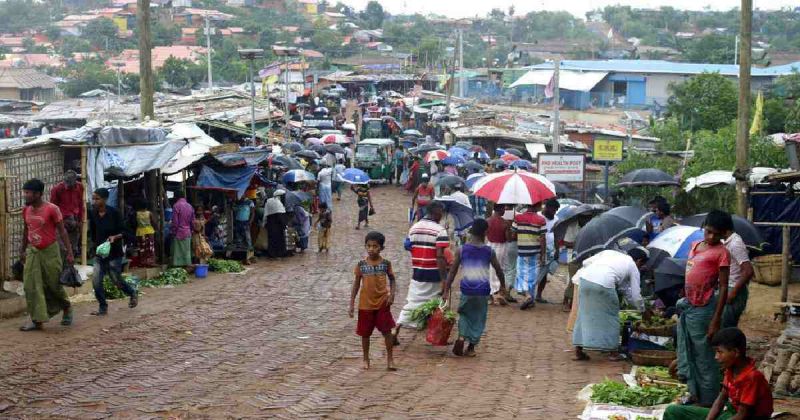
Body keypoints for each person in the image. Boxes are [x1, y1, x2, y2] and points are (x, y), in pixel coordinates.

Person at [677, 209, 731, 406]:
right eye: (708, 231)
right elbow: (691, 271)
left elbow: (724, 286)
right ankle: (693, 392)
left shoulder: (722, 253)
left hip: (704, 309)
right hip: (689, 305)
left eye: (717, 234)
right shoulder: (695, 245)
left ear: (725, 233)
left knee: (704, 357)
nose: (711, 236)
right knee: (689, 350)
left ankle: (709, 402)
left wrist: (715, 320)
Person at [664, 328, 773, 420]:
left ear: (735, 352)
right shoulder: (730, 369)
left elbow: (742, 415)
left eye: (720, 352)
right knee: (672, 411)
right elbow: (720, 399)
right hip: (730, 413)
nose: (716, 357)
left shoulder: (751, 377)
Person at [442, 218, 505, 357]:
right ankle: (471, 347)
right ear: (485, 233)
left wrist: (446, 290)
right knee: (478, 318)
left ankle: (462, 337)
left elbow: (452, 271)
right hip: (482, 291)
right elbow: (499, 270)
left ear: (471, 232)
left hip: (466, 289)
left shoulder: (462, 249)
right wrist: (503, 287)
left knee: (464, 314)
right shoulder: (489, 251)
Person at [572, 248, 647, 361]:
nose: (640, 268)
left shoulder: (610, 253)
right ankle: (613, 353)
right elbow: (635, 295)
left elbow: (585, 262)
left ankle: (578, 350)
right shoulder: (632, 266)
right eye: (641, 265)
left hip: (584, 280)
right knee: (611, 316)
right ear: (639, 260)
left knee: (583, 314)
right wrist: (643, 310)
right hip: (604, 283)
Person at [18, 179, 74, 331]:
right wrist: (22, 250)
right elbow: (26, 230)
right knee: (31, 286)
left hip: (50, 252)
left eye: (28, 193)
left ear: (38, 194)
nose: (26, 195)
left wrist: (69, 253)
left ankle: (67, 307)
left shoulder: (52, 209)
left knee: (53, 284)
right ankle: (37, 320)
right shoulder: (26, 210)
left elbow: (62, 231)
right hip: (33, 252)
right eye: (25, 192)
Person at [395, 202, 449, 338]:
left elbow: (408, 246)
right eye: (441, 212)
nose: (442, 215)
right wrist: (444, 279)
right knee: (437, 303)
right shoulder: (440, 230)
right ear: (437, 212)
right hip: (434, 273)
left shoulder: (414, 228)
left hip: (418, 271)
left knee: (412, 301)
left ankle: (396, 328)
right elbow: (440, 256)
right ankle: (435, 333)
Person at [349, 231, 397, 371]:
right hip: (365, 304)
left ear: (381, 248)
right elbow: (356, 284)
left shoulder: (386, 264)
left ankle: (390, 358)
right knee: (365, 333)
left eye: (375, 246)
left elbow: (392, 279)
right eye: (368, 246)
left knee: (387, 331)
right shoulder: (361, 265)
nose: (371, 249)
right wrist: (352, 303)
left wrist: (392, 295)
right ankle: (366, 358)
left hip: (383, 302)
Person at [88, 188, 137, 316]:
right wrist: (94, 246)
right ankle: (102, 307)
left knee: (116, 279)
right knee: (96, 280)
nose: (94, 201)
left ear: (104, 199)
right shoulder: (92, 213)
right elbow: (93, 232)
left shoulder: (114, 213)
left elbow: (125, 231)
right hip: (100, 252)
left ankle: (132, 293)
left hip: (114, 252)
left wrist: (115, 237)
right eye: (93, 198)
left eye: (97, 199)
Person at [514, 203, 547, 310]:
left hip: (522, 251)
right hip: (535, 252)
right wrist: (543, 254)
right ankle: (530, 297)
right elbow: (542, 239)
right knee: (532, 276)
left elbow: (513, 235)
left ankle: (528, 297)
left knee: (521, 275)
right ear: (537, 206)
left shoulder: (518, 218)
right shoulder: (541, 220)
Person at [722, 220, 753, 329]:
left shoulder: (735, 244)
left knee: (727, 326)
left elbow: (748, 271)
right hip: (729, 287)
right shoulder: (726, 242)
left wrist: (733, 293)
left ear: (725, 231)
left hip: (734, 288)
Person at [49, 170, 84, 258]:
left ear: (75, 181)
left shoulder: (80, 187)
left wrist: (80, 220)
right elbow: (53, 206)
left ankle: (70, 268)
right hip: (62, 220)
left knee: (74, 247)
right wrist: (58, 222)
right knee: (62, 247)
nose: (67, 185)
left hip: (75, 219)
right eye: (66, 182)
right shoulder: (57, 189)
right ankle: (62, 268)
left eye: (70, 183)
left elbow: (80, 204)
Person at [487, 204, 513, 304]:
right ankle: (497, 292)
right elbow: (509, 239)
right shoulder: (505, 223)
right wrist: (510, 229)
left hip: (490, 245)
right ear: (500, 209)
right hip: (501, 247)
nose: (505, 211)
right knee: (500, 269)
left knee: (490, 270)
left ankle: (491, 293)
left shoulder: (487, 221)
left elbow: (485, 234)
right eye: (504, 209)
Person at [535, 199, 560, 304]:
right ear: (547, 208)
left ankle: (539, 295)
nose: (554, 212)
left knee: (545, 274)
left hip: (550, 249)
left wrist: (557, 249)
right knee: (534, 272)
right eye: (553, 209)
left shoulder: (556, 219)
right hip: (537, 248)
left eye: (556, 210)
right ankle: (529, 293)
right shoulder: (538, 217)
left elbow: (557, 235)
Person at [170, 191, 194, 268]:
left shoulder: (176, 206)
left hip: (179, 232)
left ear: (176, 197)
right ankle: (187, 267)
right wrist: (192, 230)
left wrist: (174, 231)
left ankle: (179, 268)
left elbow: (175, 222)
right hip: (188, 232)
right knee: (187, 251)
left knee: (178, 252)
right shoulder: (190, 206)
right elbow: (192, 221)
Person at [264, 190, 288, 258]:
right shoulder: (278, 203)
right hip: (278, 225)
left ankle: (272, 254)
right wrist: (284, 225)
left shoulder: (269, 201)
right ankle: (280, 253)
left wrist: (264, 223)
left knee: (271, 240)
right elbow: (280, 215)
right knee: (279, 239)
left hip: (270, 224)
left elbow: (265, 213)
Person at [134, 201, 157, 267]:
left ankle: (142, 262)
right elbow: (153, 222)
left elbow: (135, 223)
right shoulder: (149, 213)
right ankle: (151, 262)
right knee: (150, 247)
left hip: (140, 232)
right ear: (146, 207)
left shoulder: (137, 214)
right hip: (149, 232)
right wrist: (156, 228)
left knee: (142, 248)